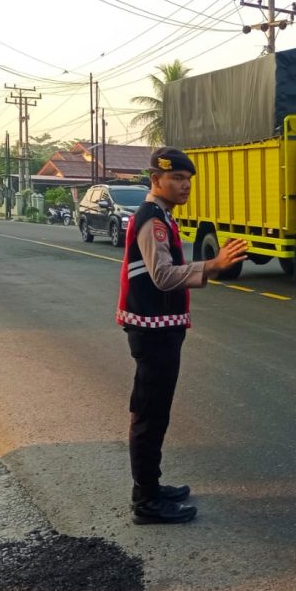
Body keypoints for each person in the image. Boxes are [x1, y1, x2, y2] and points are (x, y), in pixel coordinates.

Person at [117, 147, 247, 525]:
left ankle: (152, 488)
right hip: (152, 330)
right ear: (156, 180)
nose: (185, 185)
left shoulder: (162, 216)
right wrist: (213, 265)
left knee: (155, 411)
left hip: (160, 328)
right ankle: (146, 501)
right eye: (176, 178)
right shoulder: (152, 219)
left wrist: (212, 268)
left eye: (188, 179)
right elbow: (162, 275)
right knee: (149, 414)